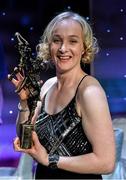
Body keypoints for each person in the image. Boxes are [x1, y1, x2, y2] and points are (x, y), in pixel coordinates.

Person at [9, 11, 116, 179]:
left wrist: (50, 159)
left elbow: (106, 162)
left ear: (84, 47)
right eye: (57, 40)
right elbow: (26, 140)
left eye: (73, 41)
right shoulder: (47, 87)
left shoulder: (90, 92)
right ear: (48, 46)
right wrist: (24, 103)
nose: (63, 48)